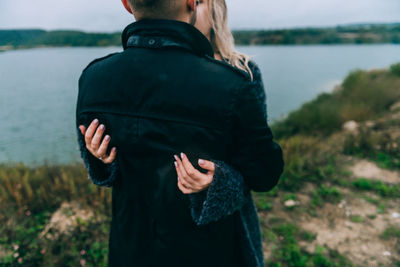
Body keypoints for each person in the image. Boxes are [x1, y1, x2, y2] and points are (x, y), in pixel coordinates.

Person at [75, 0, 284, 266]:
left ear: (127, 4)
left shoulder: (93, 77)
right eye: (196, 2)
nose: (197, 9)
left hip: (186, 241)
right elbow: (266, 172)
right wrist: (102, 159)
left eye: (203, 3)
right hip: (154, 241)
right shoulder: (231, 86)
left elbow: (256, 167)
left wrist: (219, 181)